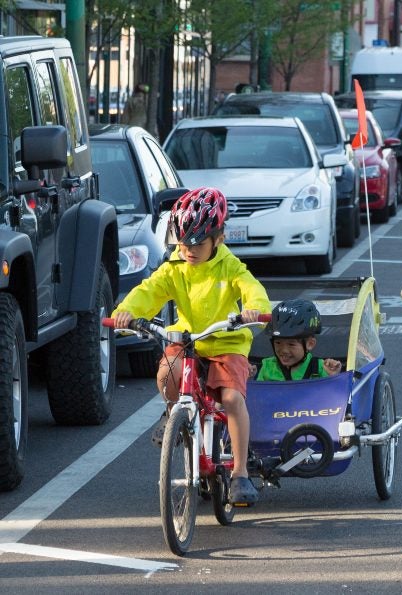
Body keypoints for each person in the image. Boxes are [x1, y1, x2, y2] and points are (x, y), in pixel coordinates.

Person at [112, 187, 270, 506]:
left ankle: (240, 474)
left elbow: (252, 289)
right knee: (166, 373)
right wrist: (125, 313)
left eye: (197, 242)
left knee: (232, 398)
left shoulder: (231, 267)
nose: (189, 250)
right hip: (189, 340)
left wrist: (254, 309)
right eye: (182, 242)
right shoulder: (175, 269)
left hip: (227, 341)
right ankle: (174, 412)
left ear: (219, 238)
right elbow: (149, 290)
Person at [254, 299, 343, 381]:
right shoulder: (267, 367)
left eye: (291, 344)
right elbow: (256, 396)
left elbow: (334, 395)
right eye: (278, 342)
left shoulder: (320, 368)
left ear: (310, 344)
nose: (284, 350)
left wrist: (333, 377)